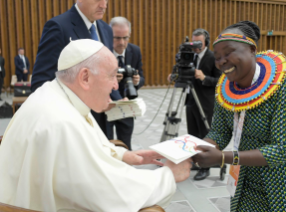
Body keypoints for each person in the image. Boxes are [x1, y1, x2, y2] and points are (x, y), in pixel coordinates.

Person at [0, 39, 192, 211]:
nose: (116, 86)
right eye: (112, 76)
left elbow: (89, 145)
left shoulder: (55, 94)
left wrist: (123, 154)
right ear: (85, 77)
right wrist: (169, 175)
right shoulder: (62, 122)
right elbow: (110, 194)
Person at [192, 21, 286, 211]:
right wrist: (197, 148)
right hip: (247, 178)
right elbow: (219, 132)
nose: (221, 61)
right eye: (217, 56)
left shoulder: (284, 86)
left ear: (252, 50)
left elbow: (283, 149)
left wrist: (223, 157)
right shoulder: (224, 89)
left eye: (228, 53)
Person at [31, 0, 113, 136]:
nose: (103, 5)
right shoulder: (58, 27)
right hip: (72, 128)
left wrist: (116, 99)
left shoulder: (106, 30)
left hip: (103, 126)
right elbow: (41, 84)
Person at [171, 28, 221, 180]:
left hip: (205, 102)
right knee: (192, 134)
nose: (195, 45)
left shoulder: (213, 57)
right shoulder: (189, 55)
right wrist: (174, 75)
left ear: (206, 42)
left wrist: (204, 77)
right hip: (190, 100)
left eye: (199, 42)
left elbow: (220, 81)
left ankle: (206, 166)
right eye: (193, 41)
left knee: (204, 135)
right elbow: (182, 70)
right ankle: (195, 160)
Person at [106, 16, 145, 150]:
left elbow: (142, 77)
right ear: (109, 36)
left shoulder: (135, 51)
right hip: (107, 106)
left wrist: (137, 82)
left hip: (127, 105)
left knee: (126, 145)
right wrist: (109, 80)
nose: (122, 42)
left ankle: (126, 169)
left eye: (125, 38)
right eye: (117, 38)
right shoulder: (102, 52)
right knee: (107, 144)